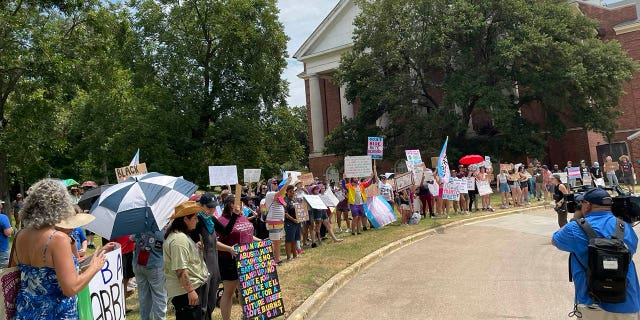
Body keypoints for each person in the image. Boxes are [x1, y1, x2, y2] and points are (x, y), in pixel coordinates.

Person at [10, 179, 110, 320]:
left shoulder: (20, 236)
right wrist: (95, 266)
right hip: (56, 314)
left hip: (25, 313)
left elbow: (13, 275)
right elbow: (71, 288)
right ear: (61, 205)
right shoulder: (58, 239)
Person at [552, 188, 640, 319]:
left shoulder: (574, 228)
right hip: (626, 302)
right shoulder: (624, 227)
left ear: (587, 205)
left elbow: (555, 240)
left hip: (591, 302)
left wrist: (576, 217)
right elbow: (631, 249)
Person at [193, 192, 238, 320]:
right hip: (203, 264)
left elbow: (226, 231)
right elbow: (191, 240)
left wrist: (234, 214)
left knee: (212, 300)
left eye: (214, 207)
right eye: (209, 207)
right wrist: (195, 243)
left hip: (214, 264)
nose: (212, 210)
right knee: (203, 301)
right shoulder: (196, 220)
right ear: (201, 205)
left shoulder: (211, 219)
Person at [216, 195, 261, 320]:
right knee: (229, 292)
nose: (242, 204)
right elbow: (215, 243)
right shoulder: (221, 221)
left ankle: (247, 315)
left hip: (247, 257)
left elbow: (248, 236)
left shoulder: (242, 217)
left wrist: (261, 242)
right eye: (240, 202)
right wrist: (229, 249)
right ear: (231, 204)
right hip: (229, 261)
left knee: (245, 290)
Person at [163, 201, 210, 320]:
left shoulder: (181, 236)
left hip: (190, 289)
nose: (197, 220)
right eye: (195, 218)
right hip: (186, 293)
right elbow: (180, 269)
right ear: (185, 219)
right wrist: (190, 291)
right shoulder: (179, 239)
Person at [133, 229, 167, 320]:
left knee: (143, 297)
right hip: (154, 266)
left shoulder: (139, 225)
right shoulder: (161, 230)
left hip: (139, 264)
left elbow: (131, 238)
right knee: (159, 297)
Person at [265, 178, 291, 264]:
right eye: (274, 183)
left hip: (279, 221)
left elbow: (283, 198)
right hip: (273, 221)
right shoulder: (269, 193)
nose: (276, 184)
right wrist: (287, 183)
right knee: (274, 241)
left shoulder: (277, 195)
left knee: (278, 241)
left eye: (276, 183)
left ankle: (277, 258)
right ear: (269, 184)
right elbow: (280, 192)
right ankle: (272, 259)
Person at [284, 185, 301, 260]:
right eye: (290, 191)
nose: (292, 192)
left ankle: (295, 255)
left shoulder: (294, 200)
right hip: (289, 222)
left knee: (294, 239)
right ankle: (288, 257)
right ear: (287, 192)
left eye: (293, 191)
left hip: (297, 222)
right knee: (289, 240)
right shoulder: (285, 200)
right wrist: (293, 220)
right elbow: (285, 214)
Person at [0, 202, 13, 268]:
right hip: (1, 249)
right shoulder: (3, 217)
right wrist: (11, 229)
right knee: (3, 271)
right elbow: (8, 233)